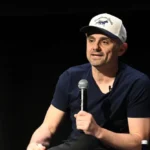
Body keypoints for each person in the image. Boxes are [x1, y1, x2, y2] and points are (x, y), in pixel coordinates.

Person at [26, 13, 150, 150]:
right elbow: (48, 126)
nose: (95, 47)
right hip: (78, 146)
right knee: (85, 141)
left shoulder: (136, 82)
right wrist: (34, 144)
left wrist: (98, 131)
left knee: (89, 140)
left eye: (104, 42)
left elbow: (140, 142)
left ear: (121, 49)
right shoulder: (70, 77)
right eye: (91, 40)